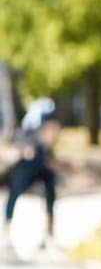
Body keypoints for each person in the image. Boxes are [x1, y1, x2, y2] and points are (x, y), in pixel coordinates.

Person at [3, 98, 62, 258]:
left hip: (41, 165)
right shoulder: (31, 125)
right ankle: (6, 231)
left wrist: (52, 156)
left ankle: (49, 234)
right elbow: (21, 143)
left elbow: (50, 147)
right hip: (27, 165)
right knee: (14, 192)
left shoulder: (47, 123)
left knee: (50, 194)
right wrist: (26, 149)